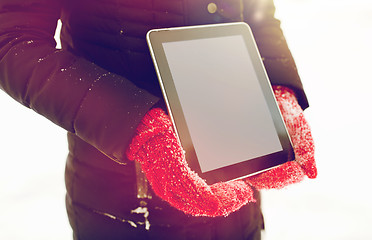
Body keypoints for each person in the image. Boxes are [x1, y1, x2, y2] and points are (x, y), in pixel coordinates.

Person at [0, 0, 317, 239]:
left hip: (236, 192)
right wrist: (136, 127)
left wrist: (277, 88)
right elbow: (11, 40)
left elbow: (258, 11)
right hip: (123, 208)